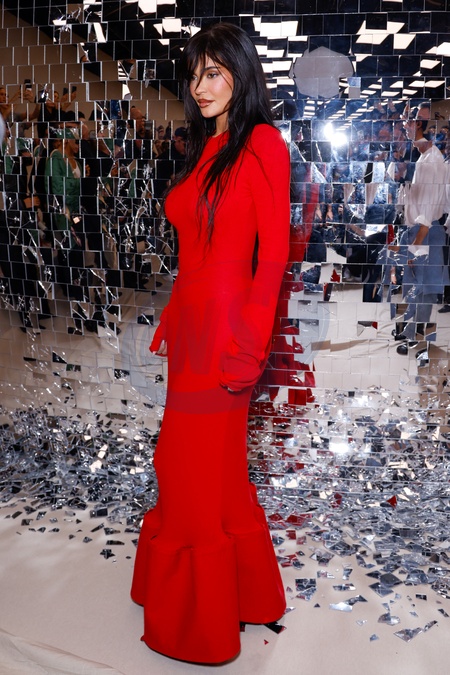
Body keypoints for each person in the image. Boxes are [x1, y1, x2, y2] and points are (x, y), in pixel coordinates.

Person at [130, 22, 290, 664]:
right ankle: (248, 595)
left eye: (215, 73)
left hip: (227, 332)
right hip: (192, 329)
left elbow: (272, 254)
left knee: (184, 466)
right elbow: (196, 249)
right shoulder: (207, 147)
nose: (201, 86)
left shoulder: (262, 143)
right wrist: (174, 311)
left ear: (242, 75)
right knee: (217, 473)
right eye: (195, 74)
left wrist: (252, 340)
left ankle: (198, 623)